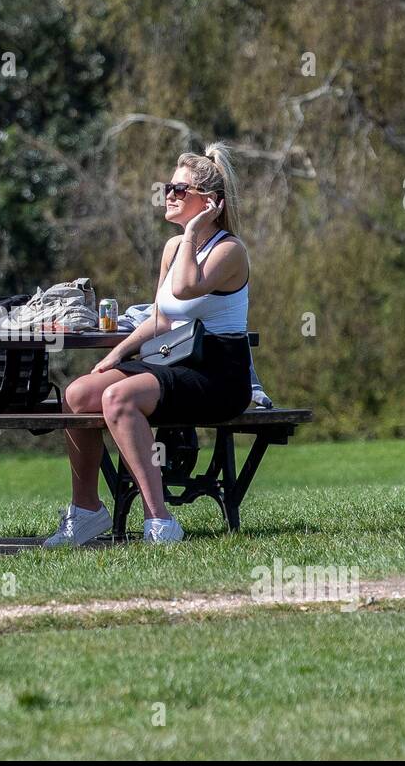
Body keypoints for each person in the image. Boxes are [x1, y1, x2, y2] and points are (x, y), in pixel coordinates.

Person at [46, 143, 253, 547]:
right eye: (168, 187)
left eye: (179, 189)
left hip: (218, 375)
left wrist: (193, 233)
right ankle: (87, 511)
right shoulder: (173, 248)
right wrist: (114, 355)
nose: (169, 195)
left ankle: (160, 521)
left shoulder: (230, 250)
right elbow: (160, 317)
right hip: (175, 363)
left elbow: (186, 286)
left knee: (119, 400)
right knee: (78, 393)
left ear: (208, 202)